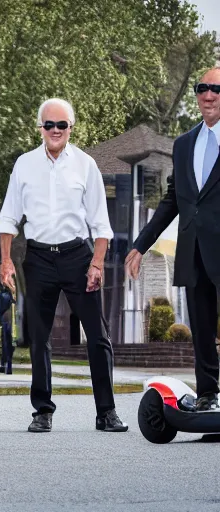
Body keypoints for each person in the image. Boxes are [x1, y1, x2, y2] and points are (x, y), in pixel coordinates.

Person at [0, 98, 128, 433]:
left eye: (62, 125)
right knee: (39, 337)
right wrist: (7, 261)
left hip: (77, 257)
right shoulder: (24, 165)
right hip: (38, 258)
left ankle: (107, 412)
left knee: (97, 336)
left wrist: (97, 264)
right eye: (49, 125)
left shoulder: (85, 165)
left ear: (71, 127)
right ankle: (42, 411)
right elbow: (9, 218)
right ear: (40, 128)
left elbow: (101, 224)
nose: (55, 131)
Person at [125, 67, 220, 411]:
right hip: (193, 252)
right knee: (203, 328)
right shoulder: (183, 145)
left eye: (216, 89)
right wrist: (140, 245)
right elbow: (171, 201)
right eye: (201, 88)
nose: (208, 95)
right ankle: (208, 394)